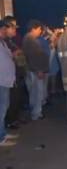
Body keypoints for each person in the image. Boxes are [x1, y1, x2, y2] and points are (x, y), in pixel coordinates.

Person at [22, 19, 49, 120]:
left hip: (31, 69)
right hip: (35, 70)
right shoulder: (31, 40)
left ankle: (34, 110)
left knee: (33, 92)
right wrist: (40, 70)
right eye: (39, 29)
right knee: (38, 92)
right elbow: (36, 57)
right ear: (34, 28)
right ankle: (36, 113)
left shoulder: (28, 38)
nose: (40, 31)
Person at [3, 16, 26, 128]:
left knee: (16, 99)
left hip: (16, 74)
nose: (15, 30)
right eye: (12, 27)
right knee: (9, 101)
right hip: (7, 78)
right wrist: (15, 54)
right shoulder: (4, 42)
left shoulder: (10, 40)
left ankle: (14, 119)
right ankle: (10, 122)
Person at [0, 19, 18, 147]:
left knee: (4, 108)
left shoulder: (3, 42)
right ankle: (0, 138)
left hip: (5, 81)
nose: (12, 30)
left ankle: (3, 133)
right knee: (1, 109)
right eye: (10, 27)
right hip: (1, 81)